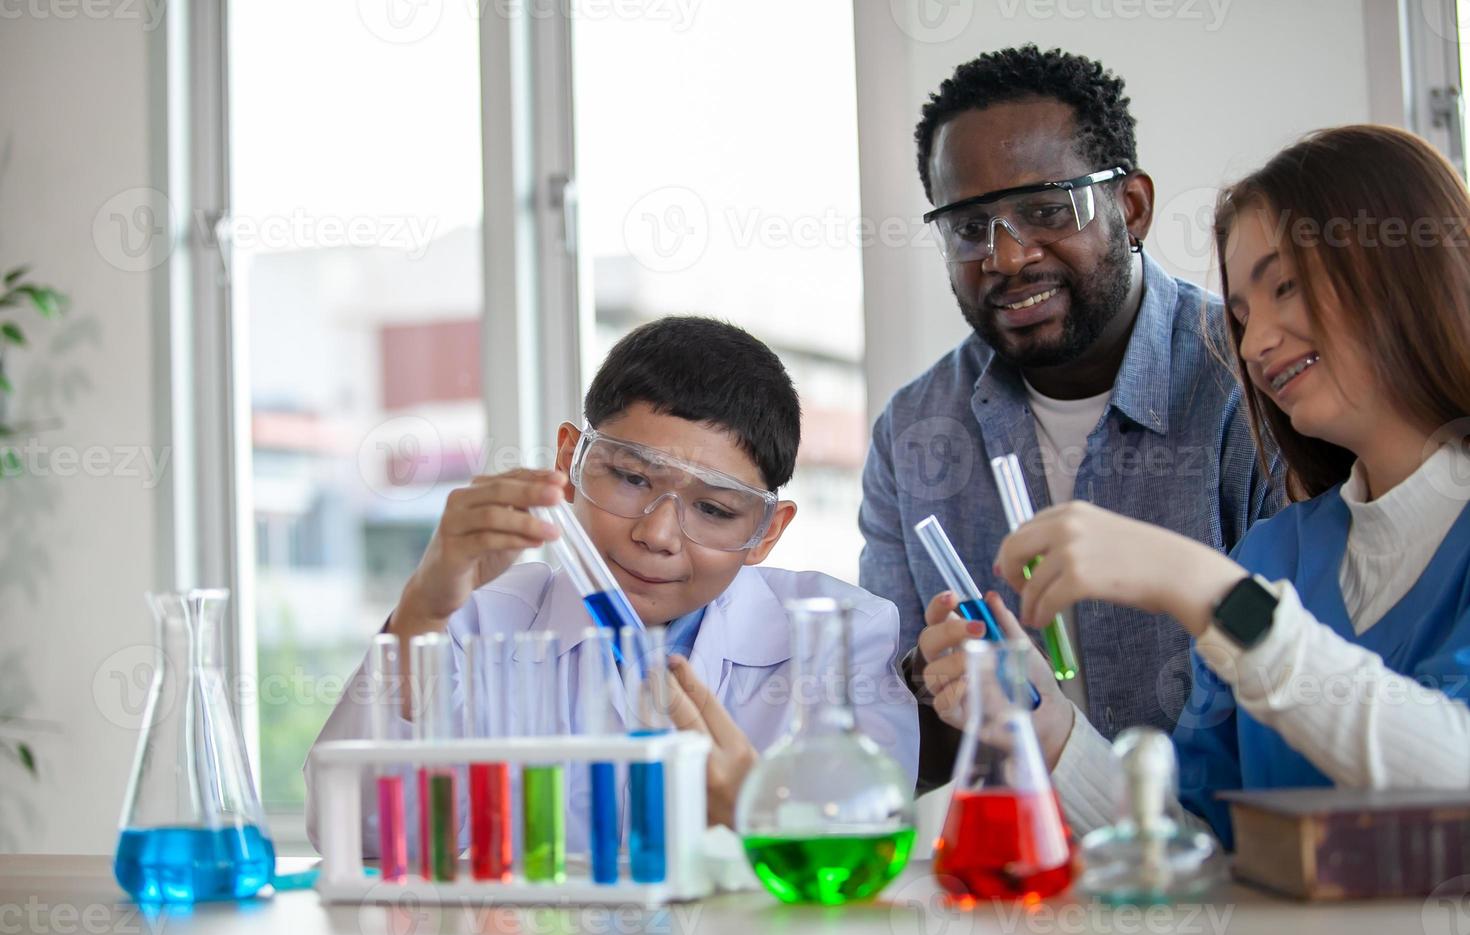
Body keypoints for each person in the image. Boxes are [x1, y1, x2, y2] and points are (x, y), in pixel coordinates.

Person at [933, 125, 1470, 847]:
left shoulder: (1240, 587)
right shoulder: (1277, 556)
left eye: (1286, 286)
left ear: (1409, 266)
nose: (1253, 344)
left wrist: (1208, 591)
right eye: (1242, 314)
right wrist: (1042, 720)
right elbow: (1188, 837)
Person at [305, 316, 918, 853]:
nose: (657, 534)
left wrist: (752, 813)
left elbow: (864, 845)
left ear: (766, 531)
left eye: (714, 510)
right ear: (570, 459)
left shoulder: (838, 634)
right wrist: (420, 613)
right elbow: (360, 833)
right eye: (630, 477)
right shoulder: (480, 623)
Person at [860, 45, 1279, 793]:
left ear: (1134, 207)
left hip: (1229, 874)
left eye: (1049, 210)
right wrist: (928, 679)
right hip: (1018, 877)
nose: (1009, 256)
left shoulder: (1249, 386)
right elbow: (893, 733)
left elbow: (1296, 688)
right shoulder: (915, 431)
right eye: (969, 227)